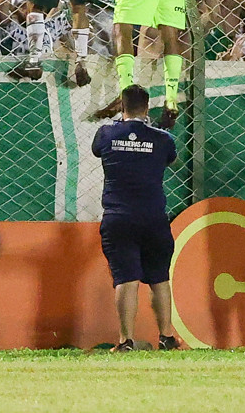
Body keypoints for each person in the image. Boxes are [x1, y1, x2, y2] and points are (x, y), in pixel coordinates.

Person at [92, 83, 178, 352]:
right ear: (148, 107)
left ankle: (125, 340)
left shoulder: (106, 134)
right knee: (159, 278)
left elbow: (98, 150)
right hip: (153, 216)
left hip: (119, 216)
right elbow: (169, 159)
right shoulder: (163, 139)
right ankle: (166, 338)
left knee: (126, 279)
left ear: (121, 105)